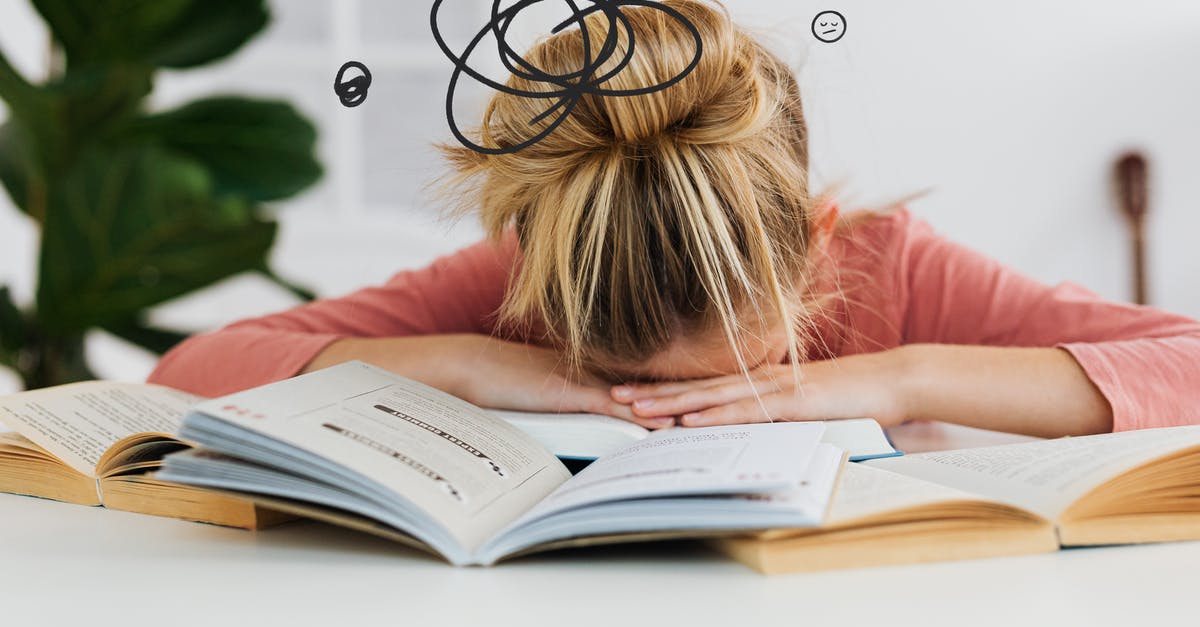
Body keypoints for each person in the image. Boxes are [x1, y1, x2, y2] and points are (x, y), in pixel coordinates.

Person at [148, 0, 1200, 438]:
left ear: (818, 241)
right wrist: (468, 365)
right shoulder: (519, 283)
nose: (681, 422)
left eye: (743, 382)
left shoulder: (895, 273)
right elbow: (192, 367)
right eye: (634, 388)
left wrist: (899, 376)